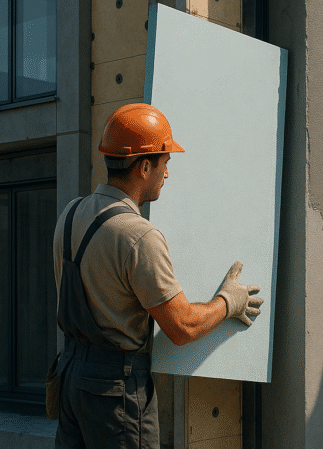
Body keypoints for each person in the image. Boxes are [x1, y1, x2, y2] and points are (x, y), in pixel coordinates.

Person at [52, 103, 263, 449]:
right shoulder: (139, 236)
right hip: (114, 392)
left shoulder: (69, 214)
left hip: (71, 379)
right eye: (165, 163)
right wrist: (229, 302)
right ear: (144, 166)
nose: (167, 173)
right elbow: (182, 328)